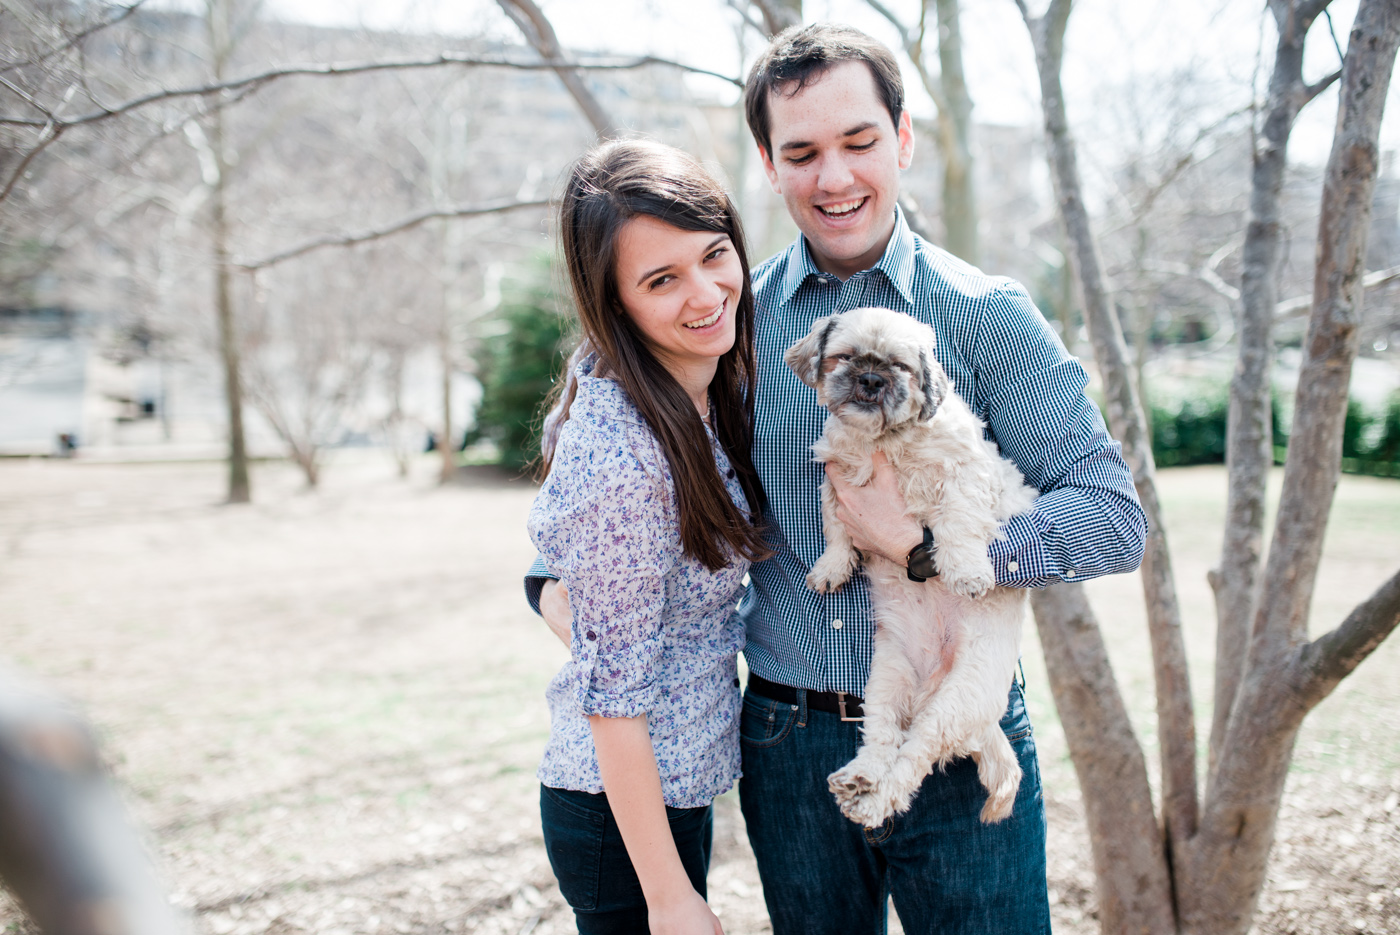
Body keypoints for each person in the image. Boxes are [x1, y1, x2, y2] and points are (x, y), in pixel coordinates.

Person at [530, 23, 1149, 935]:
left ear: (902, 139)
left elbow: (1112, 518)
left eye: (859, 142)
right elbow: (614, 474)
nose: (835, 177)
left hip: (953, 723)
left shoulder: (985, 317)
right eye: (803, 152)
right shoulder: (731, 322)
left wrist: (930, 549)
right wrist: (546, 584)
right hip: (787, 746)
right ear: (769, 166)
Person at [528, 139, 770, 935]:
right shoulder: (626, 456)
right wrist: (668, 896)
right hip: (621, 813)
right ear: (616, 301)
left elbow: (571, 581)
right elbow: (614, 700)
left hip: (672, 787)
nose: (706, 293)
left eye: (713, 255)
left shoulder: (697, 391)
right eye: (661, 280)